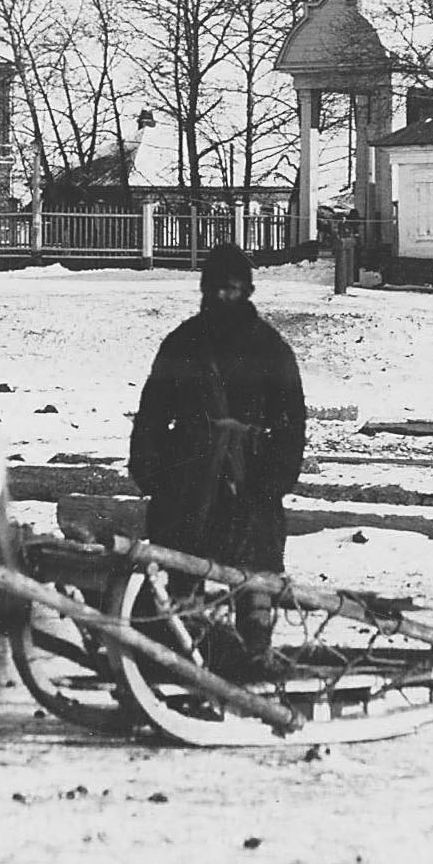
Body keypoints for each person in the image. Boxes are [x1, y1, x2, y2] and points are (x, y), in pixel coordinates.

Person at [127, 241, 307, 669]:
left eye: (231, 288)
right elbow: (153, 409)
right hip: (188, 475)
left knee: (254, 572)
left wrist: (276, 479)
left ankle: (255, 648)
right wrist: (149, 468)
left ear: (246, 291)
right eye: (214, 289)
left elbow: (291, 420)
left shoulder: (269, 347)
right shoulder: (183, 343)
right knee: (182, 563)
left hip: (251, 477)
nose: (222, 297)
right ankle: (182, 644)